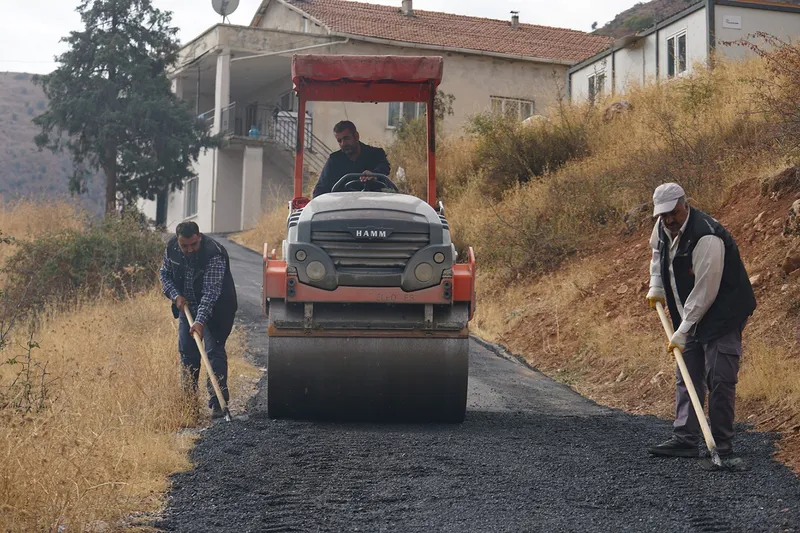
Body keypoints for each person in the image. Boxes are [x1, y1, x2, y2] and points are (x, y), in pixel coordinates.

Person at [645, 183, 756, 458]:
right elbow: (657, 253)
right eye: (663, 215)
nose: (669, 220)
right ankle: (685, 438)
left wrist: (682, 330)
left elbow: (705, 291)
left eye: (673, 212)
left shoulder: (706, 235)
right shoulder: (662, 227)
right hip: (689, 308)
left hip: (723, 312)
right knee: (687, 371)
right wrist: (656, 285)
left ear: (686, 204)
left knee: (719, 376)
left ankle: (721, 445)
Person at [159, 222, 238, 419]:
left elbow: (211, 293)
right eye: (185, 246)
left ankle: (219, 404)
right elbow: (164, 275)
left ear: (199, 237)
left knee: (213, 351)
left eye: (193, 244)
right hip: (187, 306)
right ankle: (189, 405)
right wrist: (176, 295)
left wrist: (200, 321)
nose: (189, 250)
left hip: (217, 309)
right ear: (178, 241)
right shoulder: (171, 248)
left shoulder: (214, 254)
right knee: (188, 354)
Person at [312, 120, 391, 197]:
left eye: (346, 138)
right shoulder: (334, 160)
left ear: (356, 136)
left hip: (372, 203)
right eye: (339, 141)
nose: (343, 143)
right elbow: (320, 189)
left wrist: (374, 174)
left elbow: (385, 167)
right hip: (343, 206)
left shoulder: (376, 153)